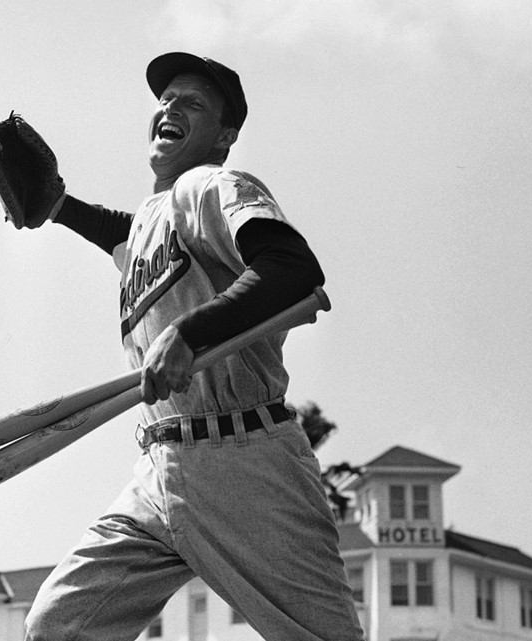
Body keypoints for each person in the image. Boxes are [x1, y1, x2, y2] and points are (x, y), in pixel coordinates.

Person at [23, 52, 363, 641]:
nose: (171, 106)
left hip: (247, 461)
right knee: (58, 629)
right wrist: (59, 209)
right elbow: (123, 231)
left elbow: (292, 267)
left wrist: (190, 332)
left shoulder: (212, 185)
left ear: (225, 137)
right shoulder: (149, 227)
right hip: (159, 471)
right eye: (166, 99)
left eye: (194, 103)